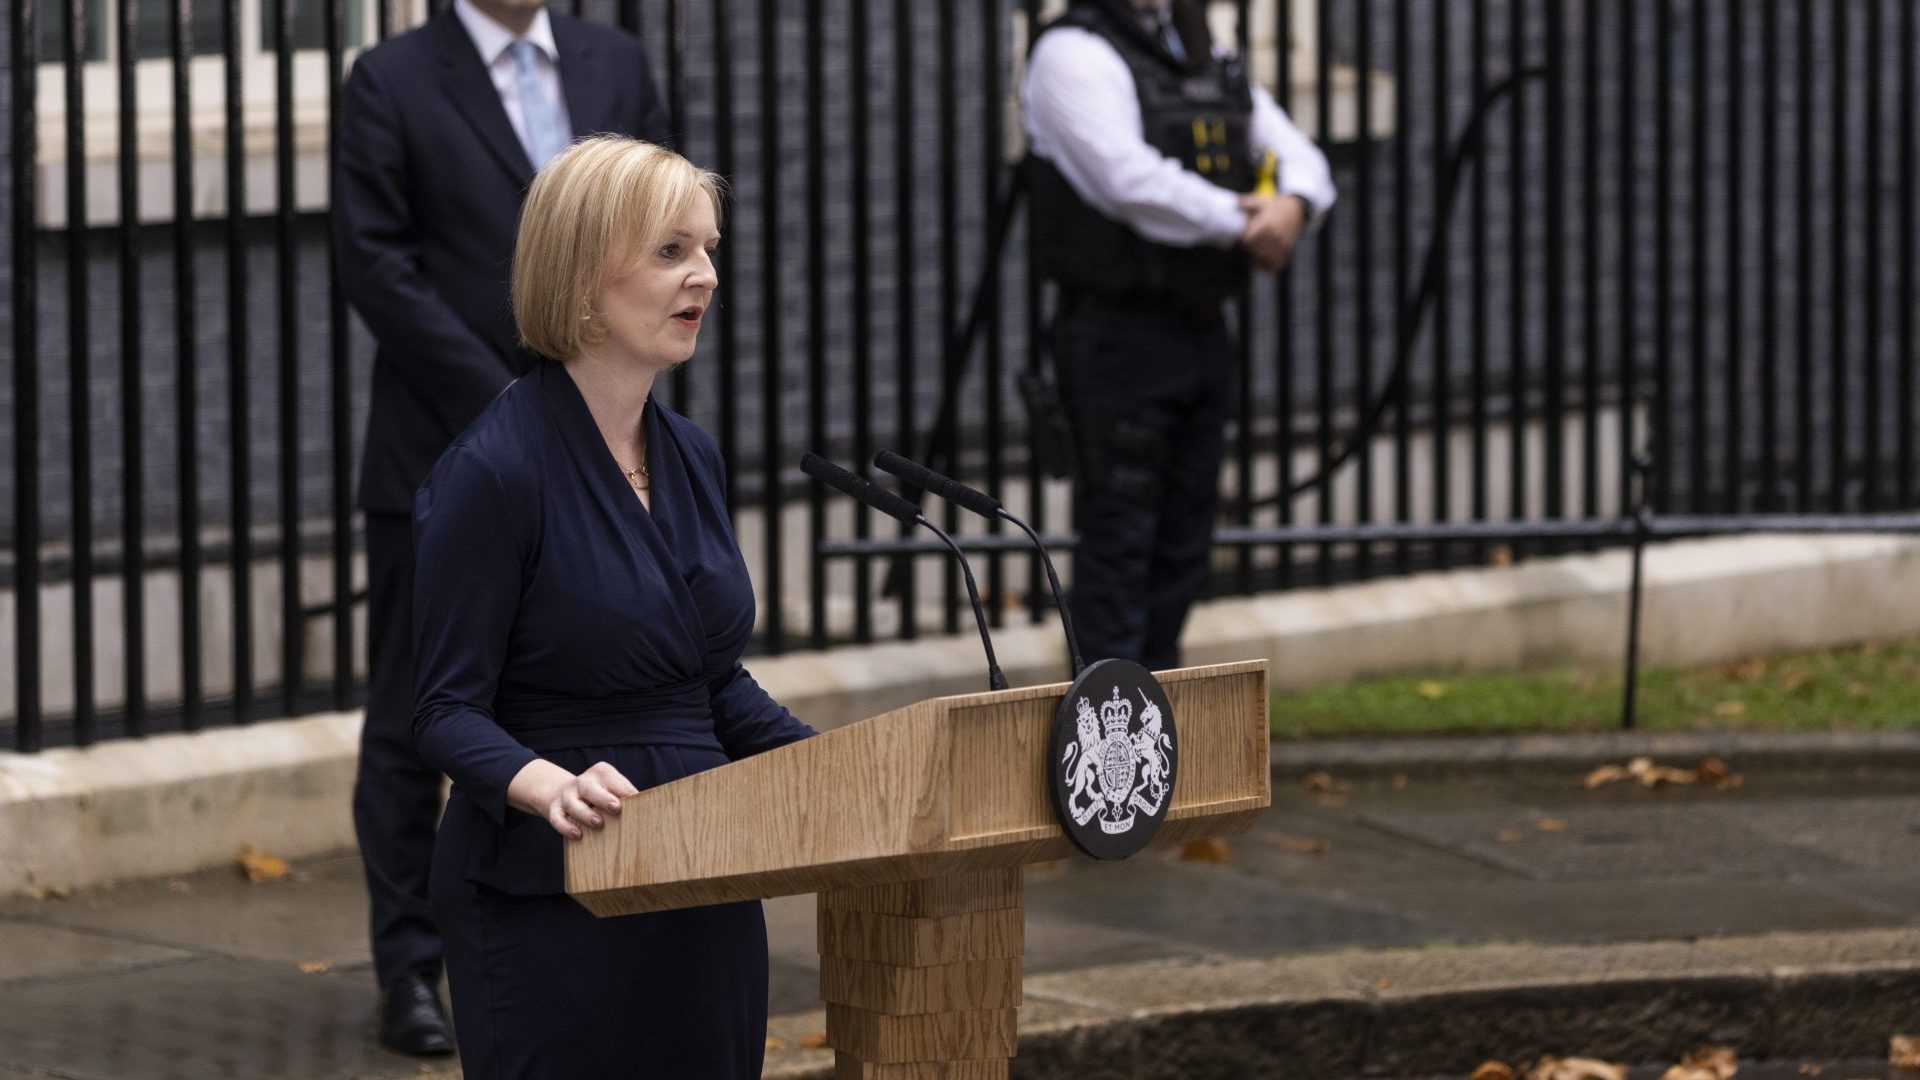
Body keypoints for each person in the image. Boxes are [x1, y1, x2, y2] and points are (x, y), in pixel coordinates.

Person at [409, 135, 816, 1078]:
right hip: (554, 894)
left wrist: (842, 767)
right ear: (583, 272)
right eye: (672, 251)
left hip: (702, 875)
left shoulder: (691, 454)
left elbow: (711, 682)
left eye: (708, 249)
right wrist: (548, 784)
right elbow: (440, 712)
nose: (705, 277)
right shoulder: (494, 473)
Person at [330, 0, 670, 1054]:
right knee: (413, 710)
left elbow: (664, 234)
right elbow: (377, 266)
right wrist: (518, 412)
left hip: (614, 448)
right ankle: (410, 968)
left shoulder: (616, 61)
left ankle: (595, 919)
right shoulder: (387, 80)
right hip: (441, 449)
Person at [1021, 0, 1335, 671]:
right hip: (1117, 335)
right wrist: (1247, 223)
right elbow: (1128, 181)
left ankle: (1160, 725)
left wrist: (1294, 205)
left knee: (1184, 543)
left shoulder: (1197, 45)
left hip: (1200, 330)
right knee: (1120, 544)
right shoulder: (1071, 52)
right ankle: (1106, 740)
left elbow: (1291, 147)